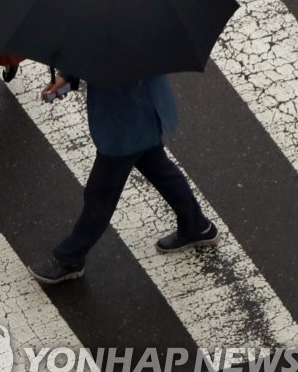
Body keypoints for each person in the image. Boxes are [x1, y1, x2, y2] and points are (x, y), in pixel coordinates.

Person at [28, 72, 219, 285]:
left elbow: (94, 54)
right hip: (146, 110)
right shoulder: (141, 39)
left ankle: (69, 258)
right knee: (158, 168)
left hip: (123, 122)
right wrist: (67, 78)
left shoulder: (110, 41)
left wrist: (67, 76)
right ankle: (196, 225)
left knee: (99, 196)